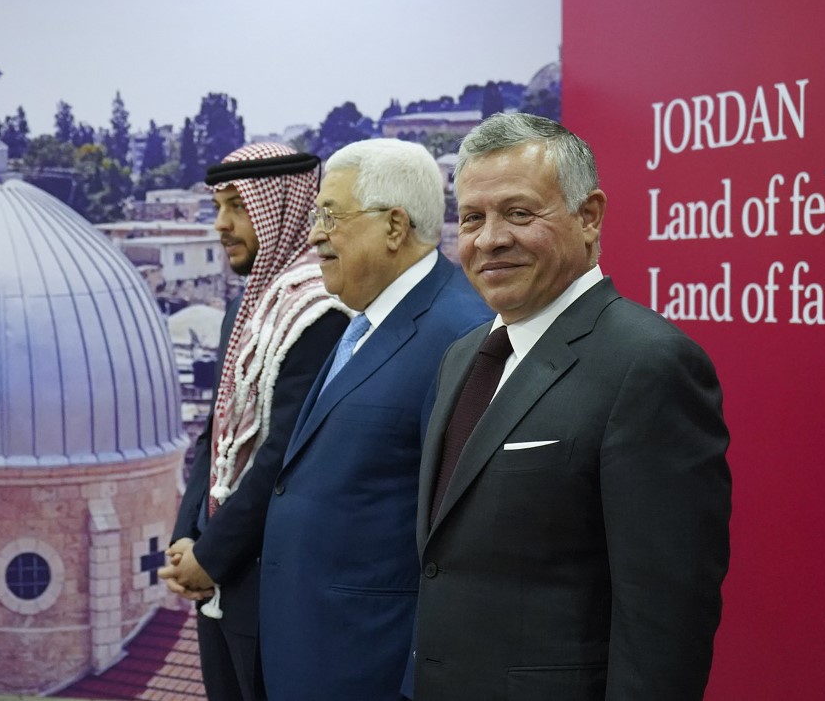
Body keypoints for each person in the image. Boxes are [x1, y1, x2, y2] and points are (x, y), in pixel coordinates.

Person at [413, 112, 731, 700]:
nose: (489, 239)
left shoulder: (648, 363)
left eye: (518, 213)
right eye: (472, 218)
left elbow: (665, 622)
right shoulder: (463, 357)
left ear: (589, 217)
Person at [257, 138, 490, 701]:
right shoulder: (364, 321)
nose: (315, 235)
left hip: (373, 671)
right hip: (316, 655)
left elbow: (464, 547)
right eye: (316, 216)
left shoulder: (460, 337)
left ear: (393, 226)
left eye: (331, 216)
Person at [160, 143, 350, 701]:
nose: (221, 225)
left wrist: (212, 556)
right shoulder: (248, 307)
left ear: (283, 208)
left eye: (238, 207)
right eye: (217, 207)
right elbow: (215, 431)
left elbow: (282, 456)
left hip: (270, 590)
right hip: (216, 583)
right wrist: (186, 536)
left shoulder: (318, 312)